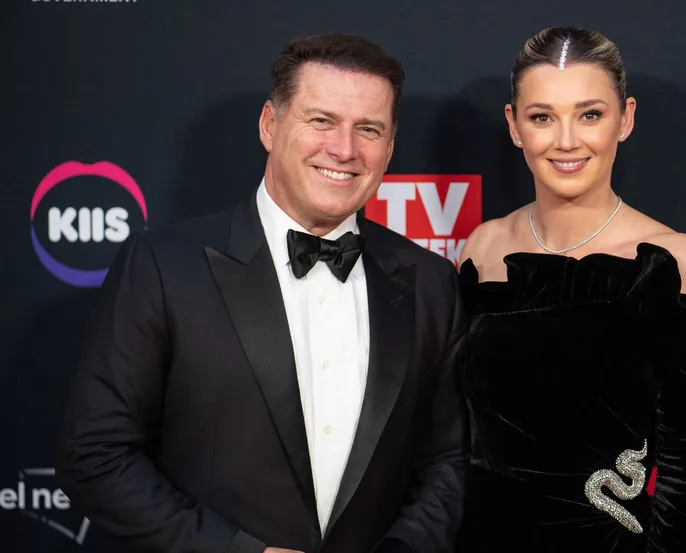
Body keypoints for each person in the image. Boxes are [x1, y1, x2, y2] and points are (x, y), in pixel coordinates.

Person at [56, 33, 469, 553]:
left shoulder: (431, 282)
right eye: (321, 121)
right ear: (271, 126)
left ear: (389, 148)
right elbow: (96, 455)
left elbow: (447, 461)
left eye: (368, 129)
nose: (344, 149)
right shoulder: (163, 266)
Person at [453, 26, 686, 552]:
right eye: (542, 117)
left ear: (624, 119)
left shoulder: (674, 259)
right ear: (514, 126)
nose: (565, 140)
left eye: (589, 114)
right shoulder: (482, 247)